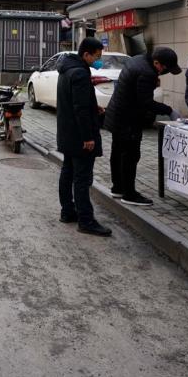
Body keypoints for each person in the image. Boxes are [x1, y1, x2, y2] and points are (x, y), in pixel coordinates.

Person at [105, 47, 181, 206]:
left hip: (117, 114)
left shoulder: (137, 59)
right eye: (164, 68)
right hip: (128, 119)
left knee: (118, 152)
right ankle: (129, 194)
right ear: (157, 62)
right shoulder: (147, 73)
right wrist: (169, 111)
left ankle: (118, 187)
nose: (163, 72)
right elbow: (146, 102)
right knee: (131, 156)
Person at [56, 38, 112, 236]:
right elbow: (79, 108)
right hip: (80, 136)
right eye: (97, 56)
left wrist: (93, 106)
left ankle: (67, 211)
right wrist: (88, 137)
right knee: (82, 179)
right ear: (86, 54)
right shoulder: (79, 72)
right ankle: (86, 221)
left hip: (67, 132)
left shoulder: (67, 69)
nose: (98, 60)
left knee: (68, 173)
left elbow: (75, 101)